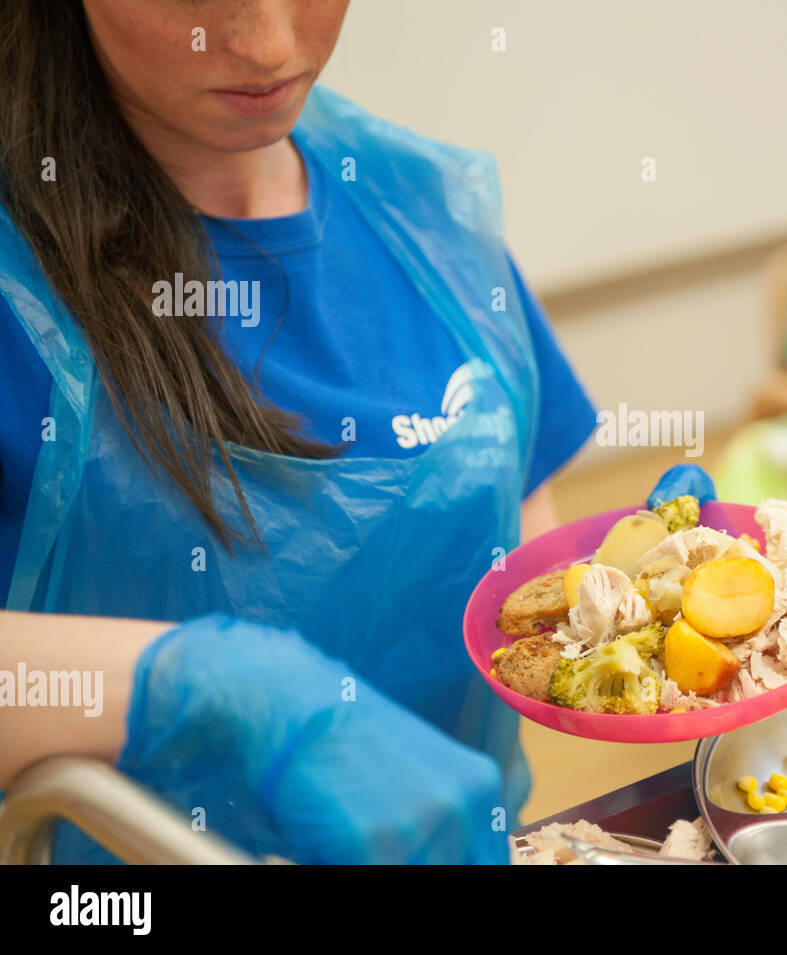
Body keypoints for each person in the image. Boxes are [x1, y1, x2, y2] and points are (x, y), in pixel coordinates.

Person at [0, 0, 599, 863]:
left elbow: (525, 556)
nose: (271, 45)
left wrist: (630, 604)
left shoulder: (424, 216)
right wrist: (201, 685)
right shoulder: (22, 286)